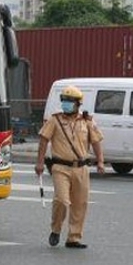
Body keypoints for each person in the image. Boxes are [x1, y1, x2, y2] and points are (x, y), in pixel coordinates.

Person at [34, 85, 105, 249]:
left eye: (70, 101)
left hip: (81, 168)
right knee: (62, 200)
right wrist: (39, 162)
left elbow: (96, 141)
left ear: (78, 103)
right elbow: (44, 140)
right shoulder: (55, 120)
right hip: (60, 167)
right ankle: (56, 229)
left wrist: (100, 161)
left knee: (80, 204)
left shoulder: (87, 121)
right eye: (64, 100)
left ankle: (73, 238)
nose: (66, 103)